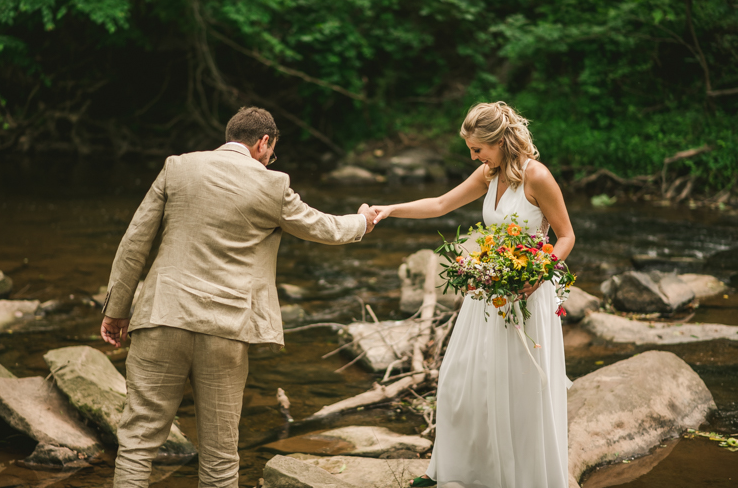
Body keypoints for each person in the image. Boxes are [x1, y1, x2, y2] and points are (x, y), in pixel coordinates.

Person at [99, 107, 377, 488]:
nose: (270, 159)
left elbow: (135, 242)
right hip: (225, 328)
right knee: (219, 457)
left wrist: (116, 310)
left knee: (136, 442)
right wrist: (362, 220)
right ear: (263, 142)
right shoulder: (272, 184)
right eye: (271, 152)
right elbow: (323, 228)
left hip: (162, 315)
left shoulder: (177, 167)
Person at [371, 101, 574, 488]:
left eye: (478, 148)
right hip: (487, 294)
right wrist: (391, 209)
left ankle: (522, 478)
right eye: (471, 150)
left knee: (519, 390)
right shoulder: (488, 174)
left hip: (526, 297)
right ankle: (458, 472)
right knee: (460, 379)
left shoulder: (538, 177)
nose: (474, 156)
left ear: (500, 141)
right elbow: (441, 204)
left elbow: (566, 236)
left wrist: (540, 271)